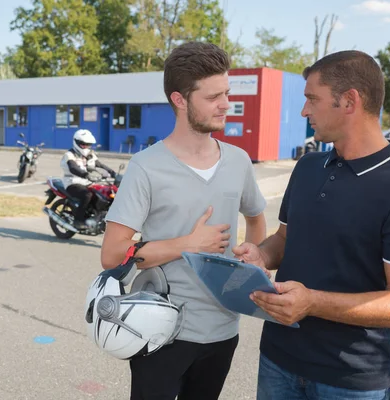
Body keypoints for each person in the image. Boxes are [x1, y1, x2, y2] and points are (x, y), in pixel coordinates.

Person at [231, 50, 390, 400]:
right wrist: (260, 254)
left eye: (312, 99)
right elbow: (285, 239)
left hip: (351, 381)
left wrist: (313, 302)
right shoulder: (307, 167)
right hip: (277, 360)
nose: (304, 111)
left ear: (349, 101)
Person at [101, 41, 268, 400]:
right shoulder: (146, 167)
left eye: (226, 93)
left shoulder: (239, 161)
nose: (225, 104)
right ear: (180, 100)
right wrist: (187, 245)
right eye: (213, 97)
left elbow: (256, 219)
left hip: (223, 330)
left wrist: (255, 253)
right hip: (160, 332)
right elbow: (113, 255)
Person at [60, 129, 116, 229]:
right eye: (83, 144)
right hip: (72, 182)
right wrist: (85, 174)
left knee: (103, 194)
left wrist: (113, 173)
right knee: (87, 195)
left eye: (88, 144)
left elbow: (100, 165)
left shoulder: (90, 155)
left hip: (87, 182)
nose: (85, 147)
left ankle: (96, 216)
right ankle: (78, 220)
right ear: (76, 142)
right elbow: (73, 168)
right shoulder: (69, 155)